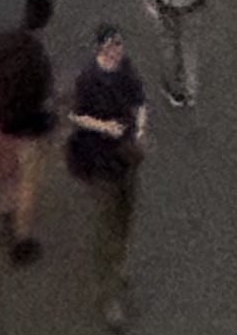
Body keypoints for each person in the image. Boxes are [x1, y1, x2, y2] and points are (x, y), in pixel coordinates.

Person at [67, 25, 151, 329]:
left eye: (120, 45)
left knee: (126, 217)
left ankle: (118, 265)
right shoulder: (89, 79)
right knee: (106, 227)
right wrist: (103, 126)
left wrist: (140, 129)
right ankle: (108, 294)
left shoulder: (125, 69)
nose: (118, 51)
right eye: (112, 46)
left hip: (127, 157)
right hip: (101, 161)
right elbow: (75, 115)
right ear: (101, 48)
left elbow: (140, 100)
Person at [0, 0, 61, 263]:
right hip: (27, 130)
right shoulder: (39, 60)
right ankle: (21, 240)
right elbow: (44, 98)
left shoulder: (6, 40)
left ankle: (5, 211)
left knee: (8, 172)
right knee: (28, 183)